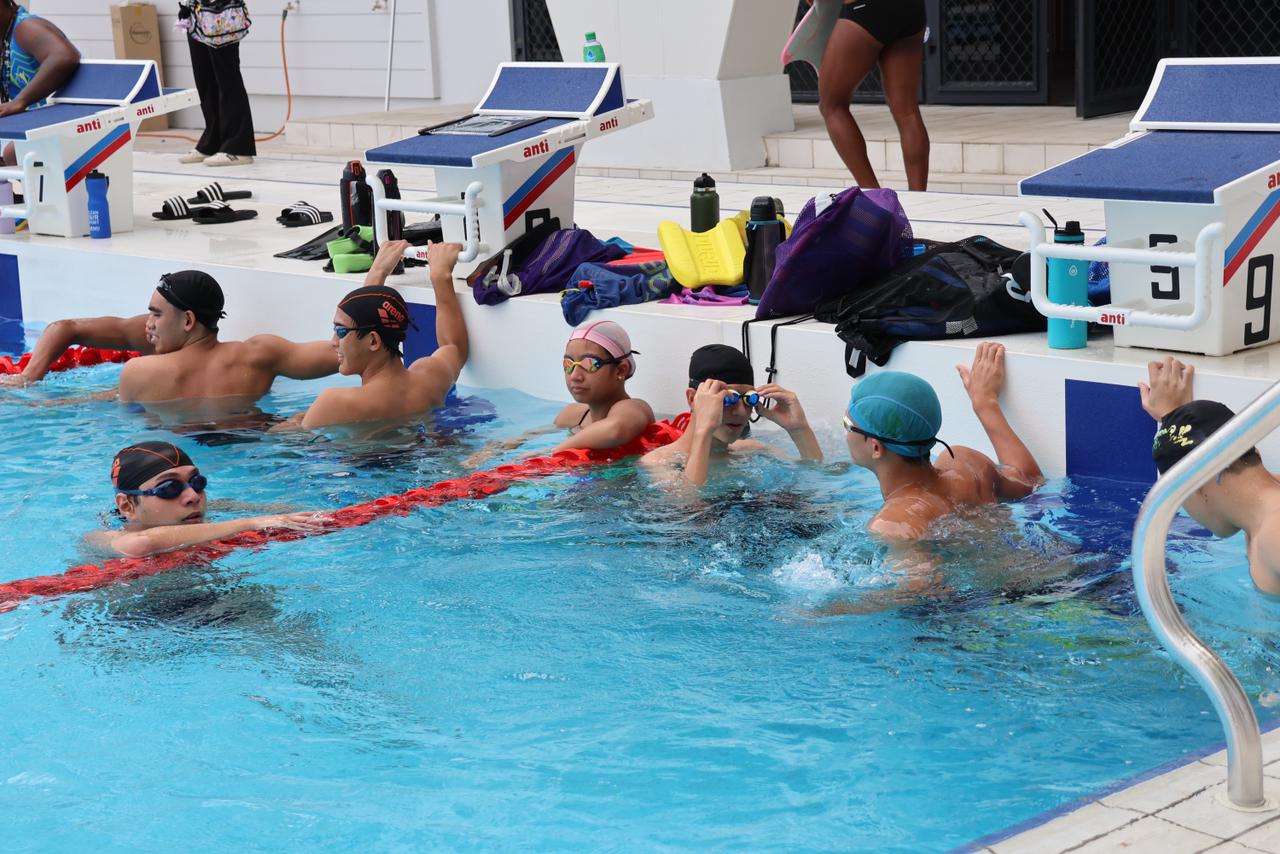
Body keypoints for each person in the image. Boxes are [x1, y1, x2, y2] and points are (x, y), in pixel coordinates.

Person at [845, 342, 1043, 541]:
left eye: (847, 425)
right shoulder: (969, 465)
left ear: (876, 447)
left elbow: (922, 573)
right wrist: (985, 403)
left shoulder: (895, 524)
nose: (845, 432)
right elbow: (1034, 483)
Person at [273, 240, 469, 431]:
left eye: (340, 331)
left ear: (373, 341)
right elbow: (454, 347)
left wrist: (300, 419)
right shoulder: (430, 378)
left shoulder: (335, 403)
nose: (333, 342)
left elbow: (280, 441)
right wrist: (440, 276)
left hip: (359, 462)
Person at [1140, 356, 1280, 595]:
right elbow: (1208, 450)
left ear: (1198, 483)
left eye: (1180, 498)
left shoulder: (1274, 531)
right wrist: (1177, 418)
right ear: (1253, 452)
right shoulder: (1262, 513)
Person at [116, 270, 339, 407]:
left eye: (156, 314)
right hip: (258, 446)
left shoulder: (138, 373)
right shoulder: (259, 357)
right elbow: (345, 351)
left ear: (187, 320)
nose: (148, 323)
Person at [464, 318, 654, 465]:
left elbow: (615, 430)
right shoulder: (573, 415)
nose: (575, 375)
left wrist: (552, 451)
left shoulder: (635, 408)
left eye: (590, 364)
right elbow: (531, 435)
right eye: (569, 364)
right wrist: (498, 448)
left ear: (620, 370)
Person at [87, 440, 321, 558]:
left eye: (197, 482)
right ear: (127, 506)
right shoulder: (102, 537)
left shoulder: (221, 511)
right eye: (169, 488)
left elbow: (287, 512)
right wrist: (252, 523)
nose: (191, 497)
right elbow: (145, 542)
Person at [642, 344, 821, 485]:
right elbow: (689, 507)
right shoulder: (660, 463)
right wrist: (704, 431)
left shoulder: (752, 450)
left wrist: (799, 429)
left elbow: (818, 477)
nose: (741, 411)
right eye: (727, 398)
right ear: (692, 399)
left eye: (748, 399)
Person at [812, 0, 929, 190]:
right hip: (912, 9)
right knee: (907, 112)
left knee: (832, 106)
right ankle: (918, 195)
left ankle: (873, 194)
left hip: (866, 9)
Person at [0, 0, 81, 165]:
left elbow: (64, 56)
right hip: (33, 124)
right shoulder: (5, 37)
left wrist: (20, 101)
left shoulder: (25, 28)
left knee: (13, 152)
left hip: (64, 123)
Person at [178, 0, 255, 166]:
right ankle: (213, 142)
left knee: (227, 78)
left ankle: (239, 147)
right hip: (195, 11)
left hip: (221, 11)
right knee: (205, 79)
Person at [0, 313, 150, 386]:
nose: (150, 324)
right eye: (153, 313)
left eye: (158, 314)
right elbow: (65, 328)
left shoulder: (161, 370)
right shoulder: (148, 330)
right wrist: (27, 377)